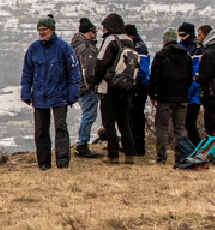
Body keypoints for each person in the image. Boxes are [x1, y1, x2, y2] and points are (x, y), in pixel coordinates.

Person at [20, 14, 82, 170]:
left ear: (52, 30)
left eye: (44, 29)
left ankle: (62, 160)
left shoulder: (64, 47)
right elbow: (27, 73)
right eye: (39, 30)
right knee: (41, 131)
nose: (41, 33)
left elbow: (74, 72)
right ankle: (43, 163)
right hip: (39, 95)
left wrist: (72, 95)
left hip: (59, 94)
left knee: (61, 128)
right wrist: (26, 93)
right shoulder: (33, 49)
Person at [95, 14, 145, 163]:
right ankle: (129, 153)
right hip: (126, 87)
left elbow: (101, 63)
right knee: (124, 120)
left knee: (109, 121)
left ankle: (113, 154)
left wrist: (95, 81)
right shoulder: (129, 41)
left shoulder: (110, 40)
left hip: (109, 86)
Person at [149, 27, 195, 164]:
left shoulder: (161, 55)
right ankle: (181, 157)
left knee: (162, 128)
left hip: (164, 97)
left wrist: (153, 95)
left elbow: (154, 77)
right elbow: (190, 78)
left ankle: (161, 157)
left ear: (165, 40)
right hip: (182, 97)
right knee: (180, 128)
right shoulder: (186, 56)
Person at [70, 18, 101, 159]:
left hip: (77, 85)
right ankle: (82, 145)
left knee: (86, 114)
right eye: (94, 32)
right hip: (87, 87)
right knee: (88, 116)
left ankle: (81, 145)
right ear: (88, 32)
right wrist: (92, 85)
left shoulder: (74, 45)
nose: (95, 35)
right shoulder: (87, 47)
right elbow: (89, 69)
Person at [179, 22, 204, 143]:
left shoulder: (197, 49)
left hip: (193, 94)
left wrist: (189, 91)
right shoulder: (180, 47)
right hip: (182, 92)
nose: (181, 38)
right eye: (179, 35)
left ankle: (196, 147)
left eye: (183, 35)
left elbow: (197, 73)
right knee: (183, 124)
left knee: (190, 123)